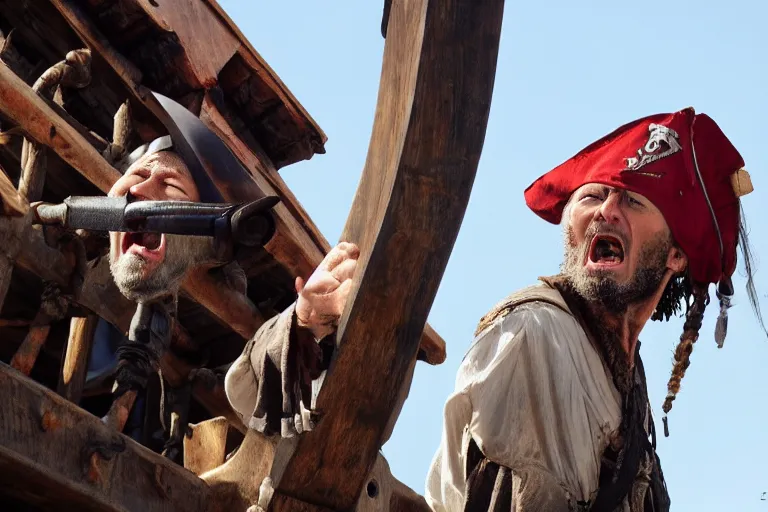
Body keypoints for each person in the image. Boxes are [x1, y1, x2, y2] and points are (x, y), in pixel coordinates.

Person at [423, 109, 762, 511]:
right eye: (593, 195)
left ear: (675, 255)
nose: (607, 210)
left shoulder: (625, 375)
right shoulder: (535, 336)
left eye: (634, 200)